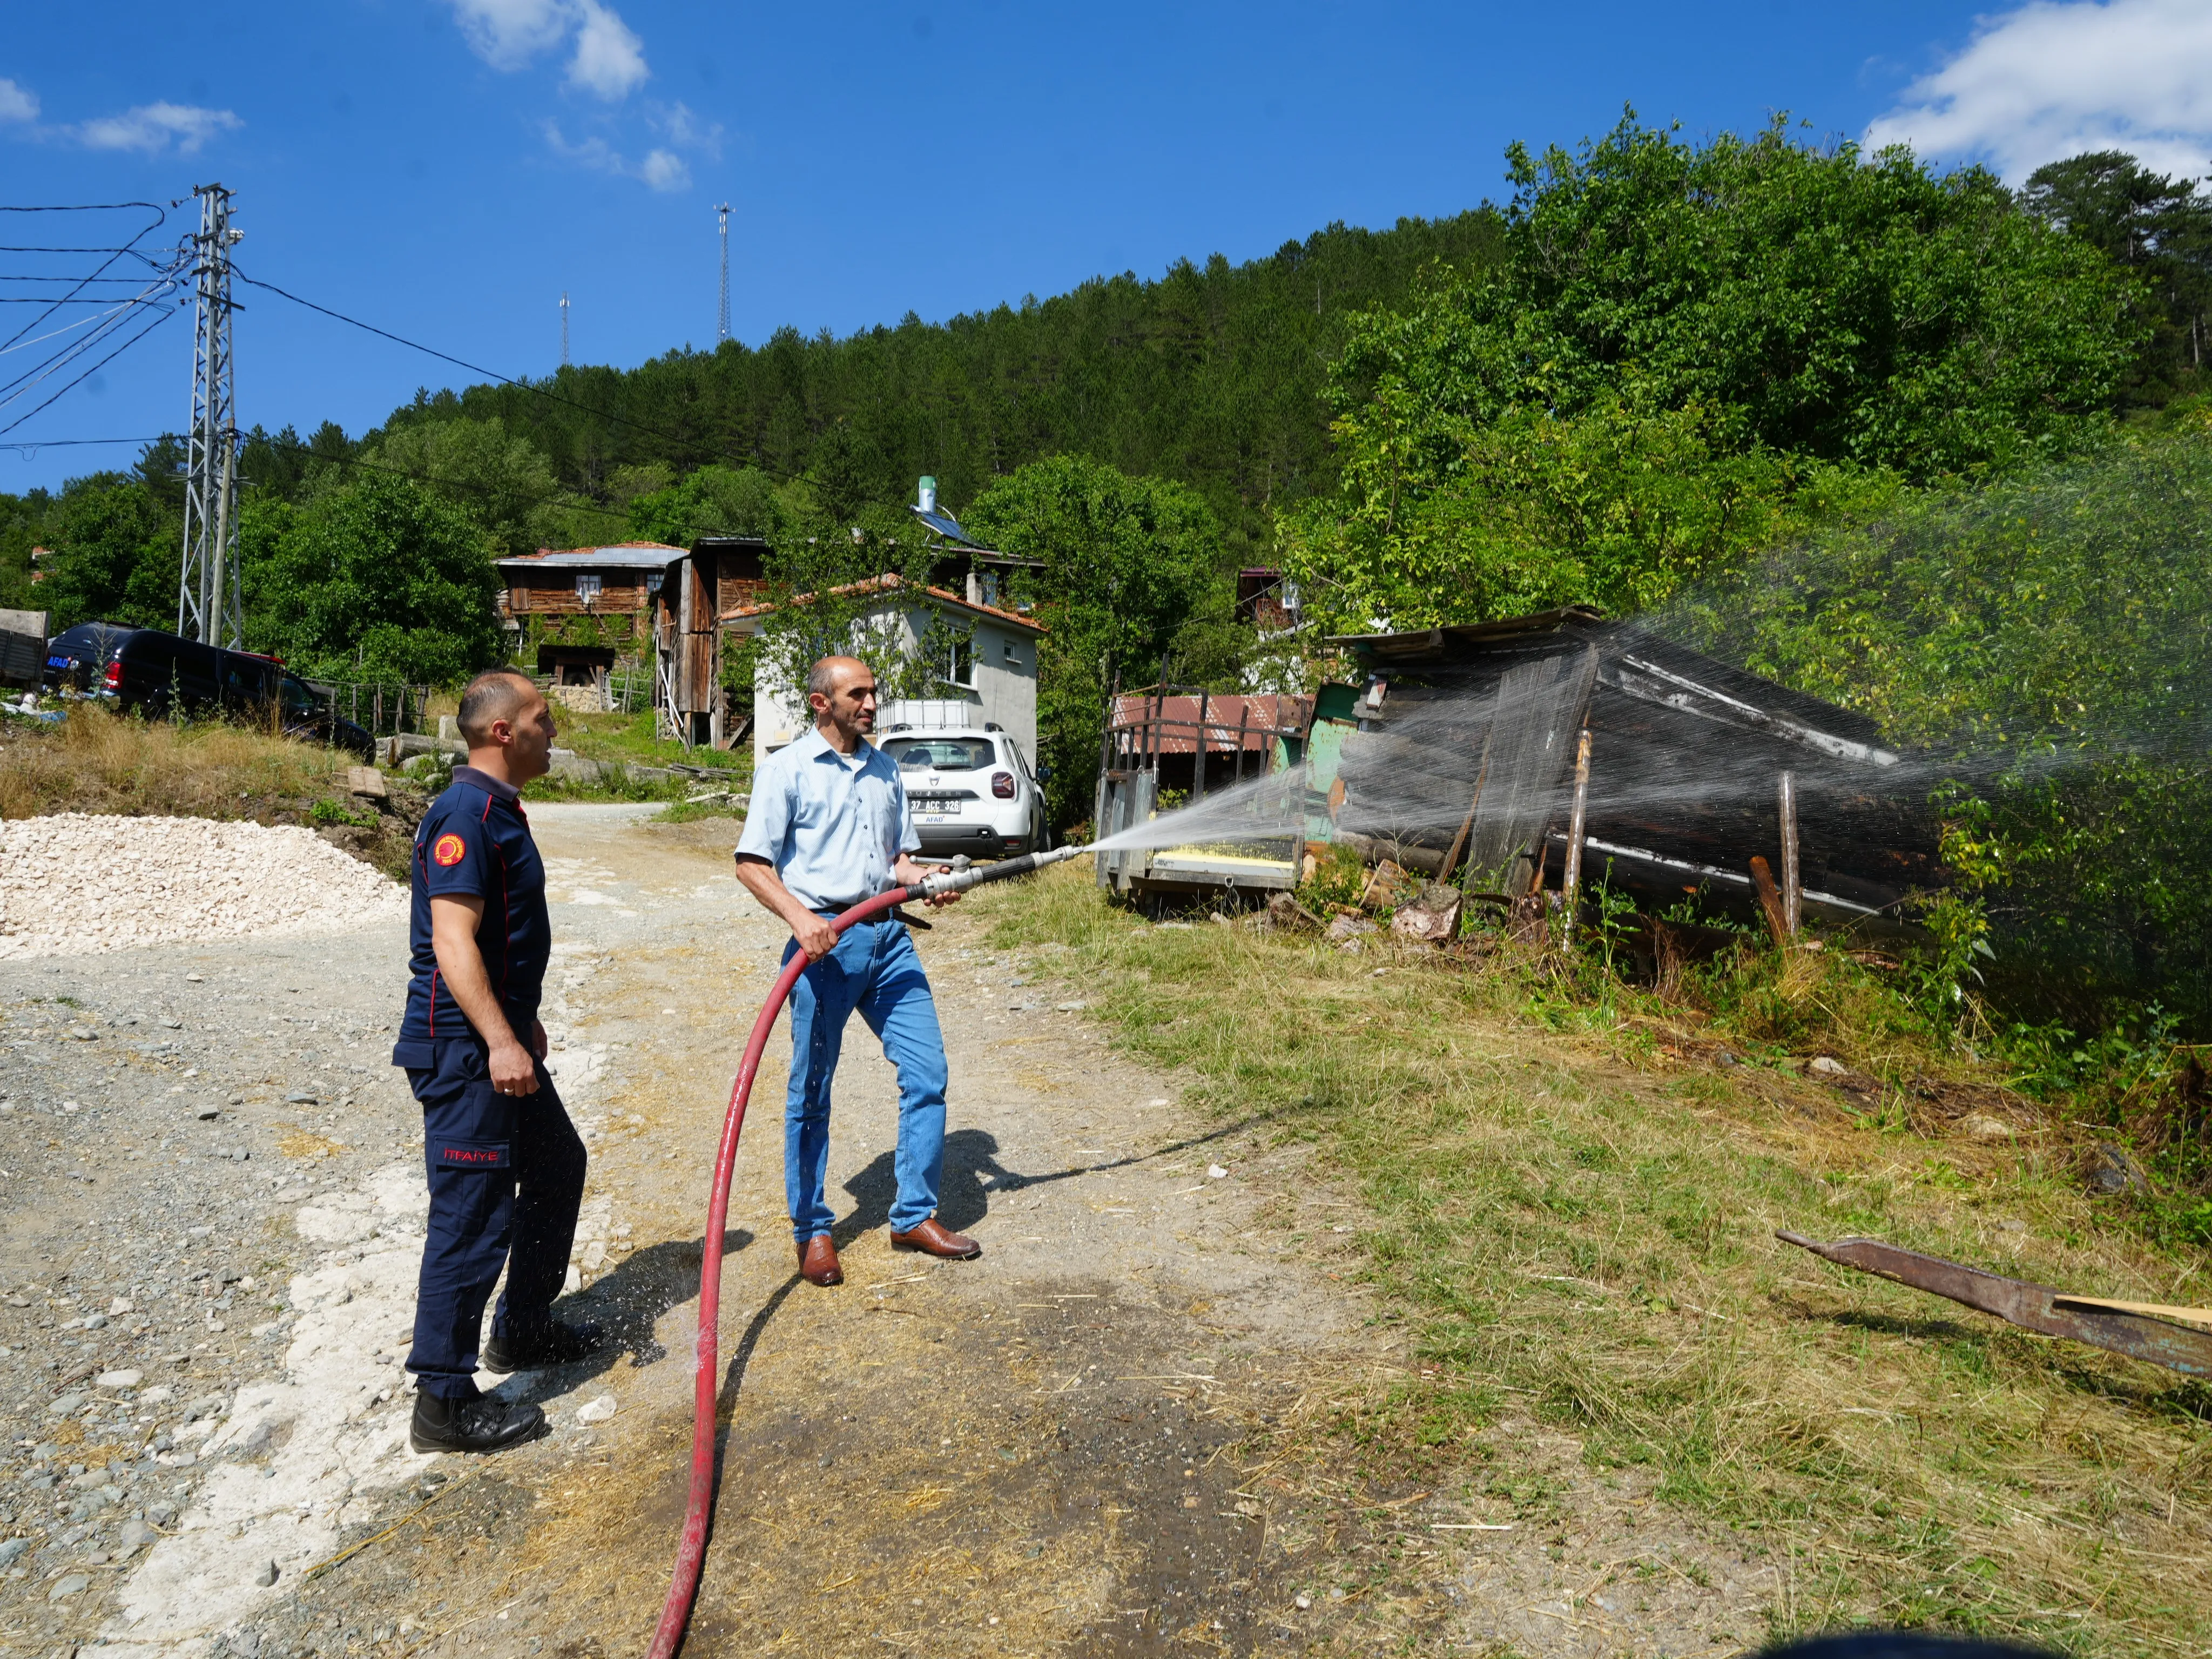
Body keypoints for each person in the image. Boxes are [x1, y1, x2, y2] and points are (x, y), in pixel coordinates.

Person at [390, 669, 600, 1454]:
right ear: (504, 732)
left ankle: (524, 1327)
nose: (555, 732)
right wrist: (501, 1040)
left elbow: (501, 941)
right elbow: (452, 941)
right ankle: (442, 1402)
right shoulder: (465, 813)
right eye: (544, 719)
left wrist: (525, 1021)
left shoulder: (499, 810)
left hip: (499, 1037)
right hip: (466, 1051)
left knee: (555, 1164)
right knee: (471, 1215)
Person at [734, 655, 975, 1287]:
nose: (871, 704)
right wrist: (799, 919)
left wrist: (924, 880)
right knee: (811, 1092)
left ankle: (913, 1216)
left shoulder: (884, 768)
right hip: (823, 948)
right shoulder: (786, 771)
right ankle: (812, 1229)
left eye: (874, 692)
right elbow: (752, 864)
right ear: (821, 703)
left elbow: (895, 860)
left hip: (889, 940)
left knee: (928, 1074)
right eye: (857, 694)